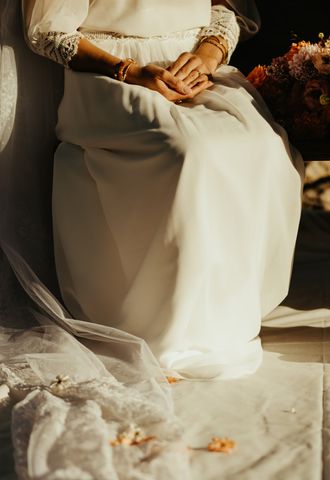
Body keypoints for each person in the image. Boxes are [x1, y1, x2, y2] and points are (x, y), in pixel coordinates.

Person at [21, 0, 304, 379]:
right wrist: (130, 71)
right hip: (110, 72)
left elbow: (225, 9)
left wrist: (206, 56)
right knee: (189, 152)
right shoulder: (116, 67)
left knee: (262, 145)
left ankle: (222, 314)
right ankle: (159, 323)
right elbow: (47, 32)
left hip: (191, 67)